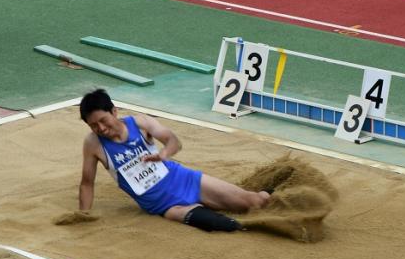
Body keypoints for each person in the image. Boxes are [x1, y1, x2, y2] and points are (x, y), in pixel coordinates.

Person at [78, 89, 270, 231]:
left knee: (254, 202)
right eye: (93, 125)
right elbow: (87, 183)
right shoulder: (93, 144)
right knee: (222, 225)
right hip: (165, 206)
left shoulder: (140, 123)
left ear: (114, 112)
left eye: (103, 120)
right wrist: (83, 214)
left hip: (186, 181)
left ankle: (282, 196)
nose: (101, 128)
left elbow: (173, 141)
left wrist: (164, 154)